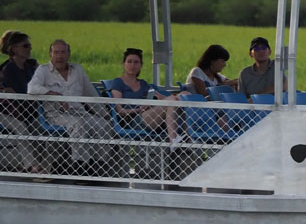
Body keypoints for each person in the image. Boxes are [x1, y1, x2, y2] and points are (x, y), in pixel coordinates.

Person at [27, 38, 112, 172]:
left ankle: (98, 165)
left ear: (68, 54)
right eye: (56, 52)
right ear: (50, 54)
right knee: (77, 124)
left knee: (104, 126)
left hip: (79, 112)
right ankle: (80, 166)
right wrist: (52, 94)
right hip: (56, 114)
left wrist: (104, 114)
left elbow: (90, 93)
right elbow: (31, 88)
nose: (60, 56)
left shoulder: (77, 69)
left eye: (63, 52)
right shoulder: (43, 70)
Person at [108, 48, 182, 143]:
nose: (132, 65)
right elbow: (119, 110)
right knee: (172, 100)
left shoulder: (143, 84)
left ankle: (184, 138)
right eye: (129, 62)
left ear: (141, 65)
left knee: (176, 100)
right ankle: (174, 140)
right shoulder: (118, 82)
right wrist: (139, 109)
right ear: (124, 64)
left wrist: (179, 96)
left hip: (148, 117)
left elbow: (160, 96)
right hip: (131, 121)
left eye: (136, 62)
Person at [0, 30, 40, 172]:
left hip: (27, 110)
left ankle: (51, 162)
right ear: (13, 49)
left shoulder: (31, 66)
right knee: (20, 128)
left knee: (41, 127)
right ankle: (30, 165)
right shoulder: (7, 70)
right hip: (8, 112)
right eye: (25, 46)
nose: (29, 48)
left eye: (29, 46)